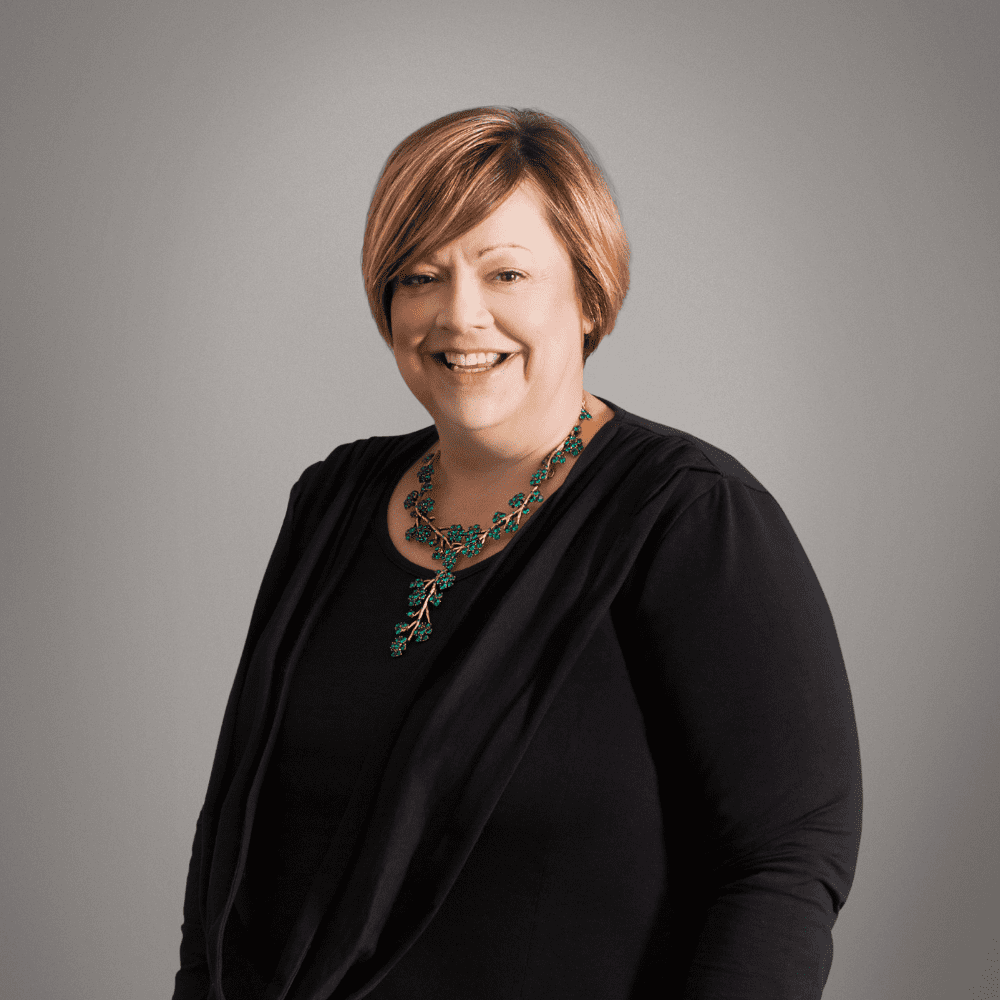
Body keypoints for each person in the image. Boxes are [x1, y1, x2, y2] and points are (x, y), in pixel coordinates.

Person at [172, 107, 863, 1000]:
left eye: (506, 273)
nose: (461, 317)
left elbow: (785, 860)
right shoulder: (332, 501)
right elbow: (235, 833)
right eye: (422, 275)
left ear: (588, 292)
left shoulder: (690, 517)